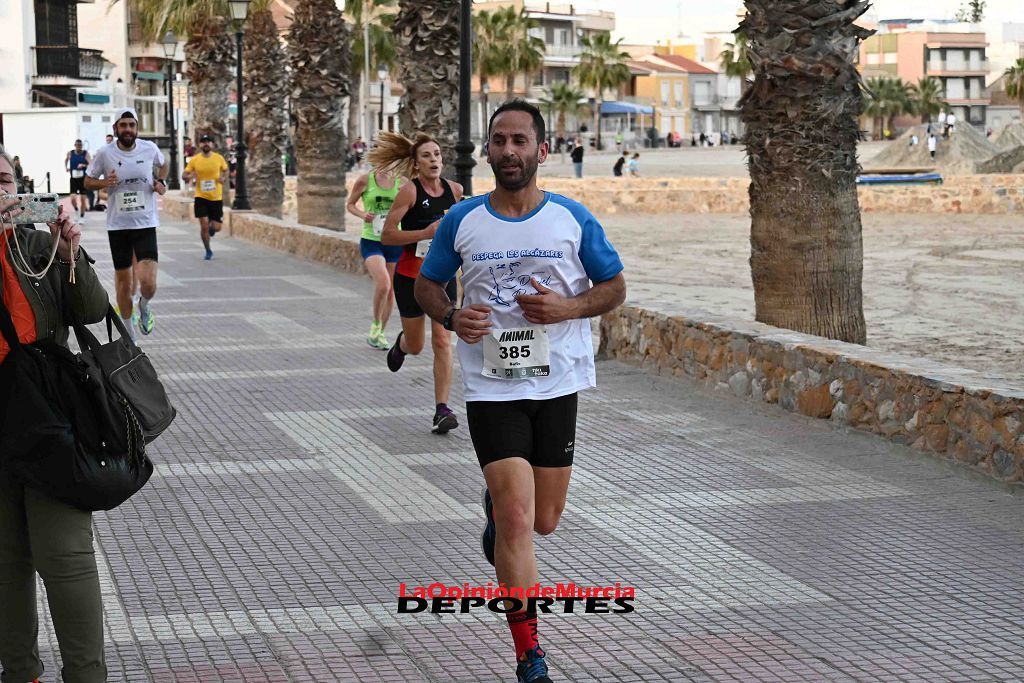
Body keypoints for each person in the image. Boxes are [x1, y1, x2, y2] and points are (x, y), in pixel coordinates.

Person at [415, 100, 626, 683]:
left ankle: (499, 511)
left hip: (558, 382)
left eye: (520, 141)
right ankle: (529, 653)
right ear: (487, 150)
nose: (509, 151)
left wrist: (568, 307)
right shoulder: (463, 221)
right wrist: (454, 316)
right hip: (492, 386)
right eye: (499, 141)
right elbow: (428, 286)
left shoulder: (571, 218)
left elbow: (614, 287)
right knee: (515, 515)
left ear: (541, 151)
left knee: (546, 520)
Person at [0, 143, 111, 683]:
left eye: (1, 180)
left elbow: (90, 311)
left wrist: (69, 249)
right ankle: (19, 672)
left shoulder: (35, 245)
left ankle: (85, 676)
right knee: (5, 564)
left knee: (65, 558)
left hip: (47, 418)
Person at [373, 131, 462, 434]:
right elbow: (387, 235)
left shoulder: (455, 190)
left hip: (443, 278)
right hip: (411, 277)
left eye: (436, 154)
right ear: (416, 163)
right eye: (426, 155)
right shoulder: (409, 192)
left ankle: (442, 409)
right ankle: (401, 344)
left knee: (442, 340)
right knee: (417, 345)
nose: (433, 160)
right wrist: (426, 233)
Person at [85, 107, 167, 342]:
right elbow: (87, 180)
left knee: (149, 283)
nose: (128, 129)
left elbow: (164, 164)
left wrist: (160, 181)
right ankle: (130, 338)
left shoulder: (149, 149)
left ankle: (144, 305)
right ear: (116, 129)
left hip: (145, 224)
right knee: (123, 285)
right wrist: (103, 182)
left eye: (131, 125)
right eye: (124, 125)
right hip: (118, 227)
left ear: (136, 128)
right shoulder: (104, 153)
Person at [346, 164, 404, 350]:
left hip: (394, 240)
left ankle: (379, 334)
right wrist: (364, 215)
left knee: (391, 290)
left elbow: (411, 206)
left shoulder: (402, 182)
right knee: (384, 284)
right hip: (371, 240)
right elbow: (350, 205)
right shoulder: (365, 180)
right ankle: (375, 324)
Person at [182, 134, 229, 260]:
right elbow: (184, 175)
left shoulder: (218, 158)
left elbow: (225, 170)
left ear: (212, 144)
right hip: (201, 197)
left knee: (217, 228)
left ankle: (212, 228)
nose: (206, 144)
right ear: (200, 145)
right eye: (203, 142)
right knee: (203, 225)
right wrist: (189, 176)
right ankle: (208, 250)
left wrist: (223, 178)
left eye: (208, 142)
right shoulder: (195, 160)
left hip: (216, 197)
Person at [65, 140, 92, 218]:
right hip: (73, 179)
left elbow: (91, 165)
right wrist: (66, 168)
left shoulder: (86, 154)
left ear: (82, 146)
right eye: (77, 145)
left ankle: (82, 216)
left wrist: (83, 165)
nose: (79, 147)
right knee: (72, 198)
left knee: (83, 199)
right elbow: (66, 159)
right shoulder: (70, 153)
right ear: (75, 145)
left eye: (80, 145)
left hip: (83, 179)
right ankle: (76, 210)